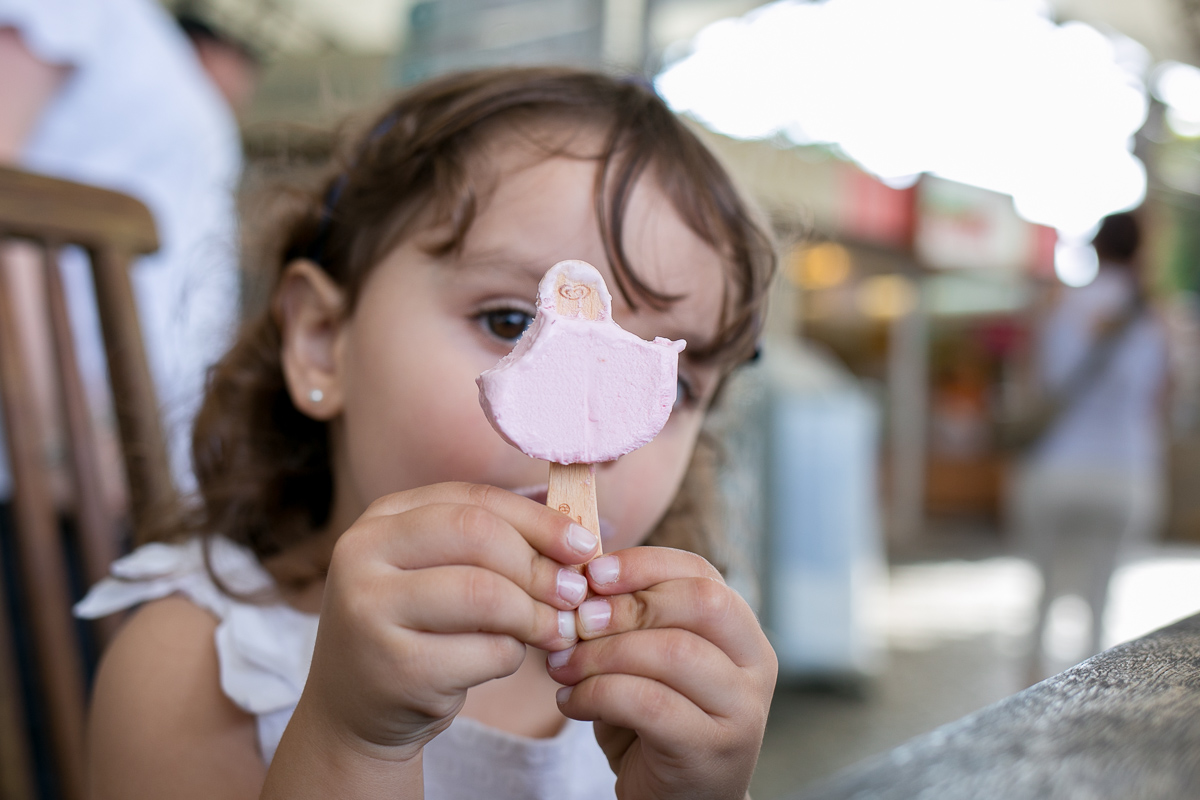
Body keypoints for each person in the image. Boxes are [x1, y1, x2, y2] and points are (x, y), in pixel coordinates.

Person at [74, 67, 780, 798]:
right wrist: (354, 743)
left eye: (673, 384)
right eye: (511, 321)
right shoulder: (198, 665)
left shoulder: (646, 691)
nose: (595, 431)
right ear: (322, 339)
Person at [0, 0, 247, 496]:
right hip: (68, 474)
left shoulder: (139, 28)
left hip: (136, 467)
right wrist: (55, 441)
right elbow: (10, 199)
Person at [1013, 212, 1168, 682]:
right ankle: (1092, 686)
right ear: (1140, 252)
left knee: (1041, 591)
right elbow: (1162, 397)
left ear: (1096, 249)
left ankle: (1028, 685)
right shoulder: (1153, 318)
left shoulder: (1059, 304)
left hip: (1055, 464)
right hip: (1125, 468)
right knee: (1102, 597)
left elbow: (1034, 380)